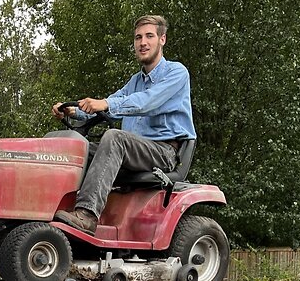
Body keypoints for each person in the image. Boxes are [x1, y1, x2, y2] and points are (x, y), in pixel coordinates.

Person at [52, 14, 196, 234]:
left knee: (114, 138)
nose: (143, 43)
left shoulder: (176, 73)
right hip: (132, 152)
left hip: (162, 152)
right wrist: (74, 112)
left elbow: (147, 102)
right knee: (73, 149)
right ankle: (50, 207)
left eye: (149, 36)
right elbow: (110, 103)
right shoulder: (135, 81)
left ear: (162, 40)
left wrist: (105, 103)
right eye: (138, 38)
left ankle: (87, 215)